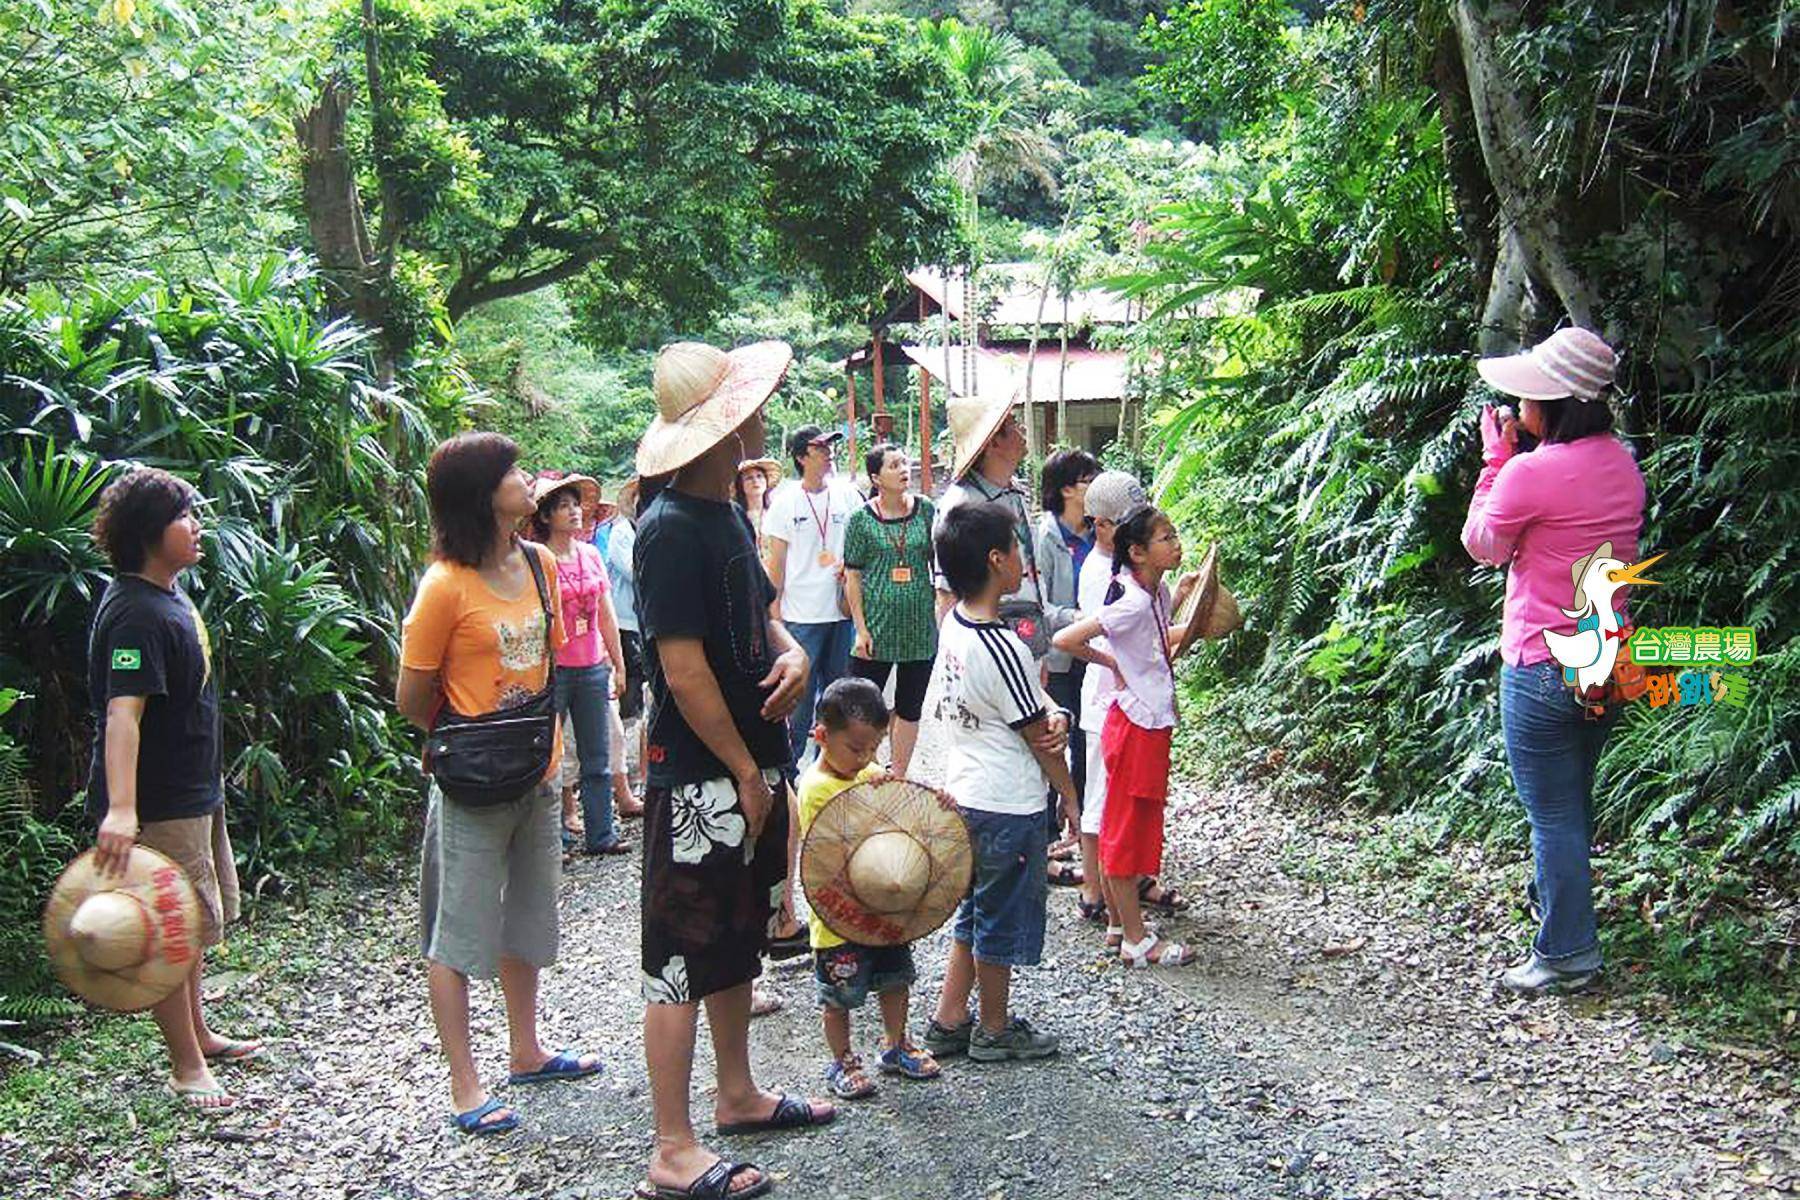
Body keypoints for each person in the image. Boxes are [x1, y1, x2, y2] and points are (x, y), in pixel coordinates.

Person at [633, 340, 836, 1200]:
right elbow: (680, 670)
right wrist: (742, 773)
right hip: (702, 773)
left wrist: (791, 657)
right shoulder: (669, 528)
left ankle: (739, 1093)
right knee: (680, 954)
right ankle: (671, 1149)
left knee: (738, 937)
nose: (761, 413)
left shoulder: (722, 514)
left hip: (751, 764)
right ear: (723, 423)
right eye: (748, 403)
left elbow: (763, 616)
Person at [396, 433, 602, 1137]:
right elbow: (411, 696)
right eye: (514, 472)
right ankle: (464, 1084)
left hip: (538, 772)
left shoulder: (541, 564)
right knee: (457, 932)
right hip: (472, 787)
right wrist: (470, 741)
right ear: (484, 494)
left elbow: (548, 667)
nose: (527, 481)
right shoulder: (444, 586)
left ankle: (526, 1049)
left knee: (527, 916)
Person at [1461, 327, 1644, 996]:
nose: (1518, 404)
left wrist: (1495, 461)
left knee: (1554, 815)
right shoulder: (1623, 464)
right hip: (1605, 658)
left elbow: (1483, 542)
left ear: (1552, 404)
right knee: (1573, 805)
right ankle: (1556, 916)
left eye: (1527, 395)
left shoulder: (1530, 473)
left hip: (1540, 664)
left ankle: (1566, 952)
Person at [86, 468, 259, 1110]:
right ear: (148, 532)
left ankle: (202, 1035)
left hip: (194, 788)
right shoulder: (133, 612)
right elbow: (121, 714)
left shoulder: (168, 595)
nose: (196, 526)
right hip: (158, 801)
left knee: (192, 922)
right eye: (183, 515)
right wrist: (123, 808)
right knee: (168, 929)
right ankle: (186, 1065)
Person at [923, 502, 1078, 1064]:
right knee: (1001, 916)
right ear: (995, 559)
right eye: (1015, 548)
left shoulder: (955, 624)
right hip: (1006, 803)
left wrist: (1050, 715)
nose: (1021, 559)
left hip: (967, 791)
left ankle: (949, 1017)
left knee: (975, 910)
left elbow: (1026, 710)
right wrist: (1071, 796)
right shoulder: (1002, 645)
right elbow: (1039, 737)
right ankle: (993, 1026)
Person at [1054, 505, 1201, 968]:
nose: (1175, 544)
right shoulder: (1133, 601)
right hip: (1135, 724)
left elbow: (1154, 640)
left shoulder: (1151, 593)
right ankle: (1138, 942)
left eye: (1174, 534)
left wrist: (1185, 608)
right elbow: (1067, 640)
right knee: (1124, 829)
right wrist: (1110, 663)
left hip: (1150, 720)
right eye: (1166, 538)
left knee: (1133, 824)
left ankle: (1121, 927)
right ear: (1137, 552)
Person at [796, 678, 944, 1099]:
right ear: (821, 736)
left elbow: (901, 802)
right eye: (856, 749)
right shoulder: (816, 787)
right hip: (839, 914)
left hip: (884, 907)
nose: (866, 760)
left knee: (896, 978)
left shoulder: (868, 773)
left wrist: (933, 802)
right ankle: (842, 1059)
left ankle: (896, 1044)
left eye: (874, 748)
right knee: (838, 994)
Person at [530, 471, 629, 856]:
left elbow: (606, 614)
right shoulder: (538, 559)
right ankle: (555, 837)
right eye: (563, 507)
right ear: (545, 517)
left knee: (597, 754)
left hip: (591, 665)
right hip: (553, 669)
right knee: (549, 757)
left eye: (575, 505)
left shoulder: (590, 554)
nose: (573, 512)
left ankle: (601, 834)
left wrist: (617, 664)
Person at [764, 425, 860, 765]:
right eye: (821, 447)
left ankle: (828, 772)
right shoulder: (784, 502)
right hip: (800, 616)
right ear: (802, 456)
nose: (829, 452)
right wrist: (774, 620)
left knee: (836, 701)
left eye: (831, 445)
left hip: (840, 612)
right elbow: (776, 564)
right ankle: (786, 779)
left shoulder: (848, 494)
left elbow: (859, 547)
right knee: (799, 703)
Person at [842, 443, 937, 778]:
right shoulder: (859, 520)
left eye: (905, 463)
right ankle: (863, 771)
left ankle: (898, 774)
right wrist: (861, 629)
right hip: (877, 629)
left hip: (919, 627)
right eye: (894, 465)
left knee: (911, 706)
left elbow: (938, 567)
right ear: (875, 477)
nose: (903, 469)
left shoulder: (926, 510)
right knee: (863, 707)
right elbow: (852, 576)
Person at [1033, 448, 1100, 877]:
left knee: (1087, 742)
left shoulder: (1100, 531)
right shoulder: (1046, 535)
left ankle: (1087, 831)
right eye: (1087, 478)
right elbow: (1038, 605)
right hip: (1058, 653)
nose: (1095, 484)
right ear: (1066, 489)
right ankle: (1043, 834)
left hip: (1094, 652)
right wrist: (1079, 619)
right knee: (1052, 738)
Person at [598, 478, 646, 820]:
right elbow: (635, 571)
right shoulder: (620, 532)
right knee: (628, 695)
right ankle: (624, 769)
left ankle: (636, 767)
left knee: (643, 695)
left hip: (646, 621)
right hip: (627, 620)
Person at [735, 457, 783, 567]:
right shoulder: (736, 518)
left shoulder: (776, 514)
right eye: (749, 478)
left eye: (759, 476)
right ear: (740, 485)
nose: (755, 481)